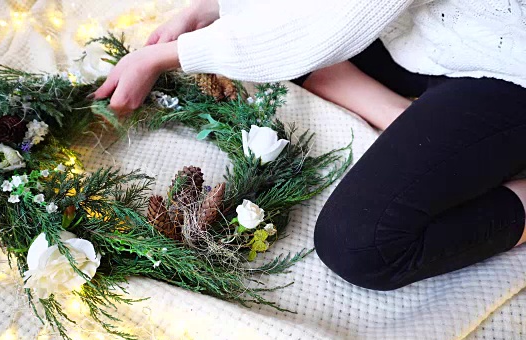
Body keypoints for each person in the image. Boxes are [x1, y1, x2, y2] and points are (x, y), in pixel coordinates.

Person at [91, 0, 526, 290]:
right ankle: (398, 115)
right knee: (268, 45)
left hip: (507, 64)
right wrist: (213, 8)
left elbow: (334, 22)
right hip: (429, 28)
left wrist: (165, 56)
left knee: (359, 244)